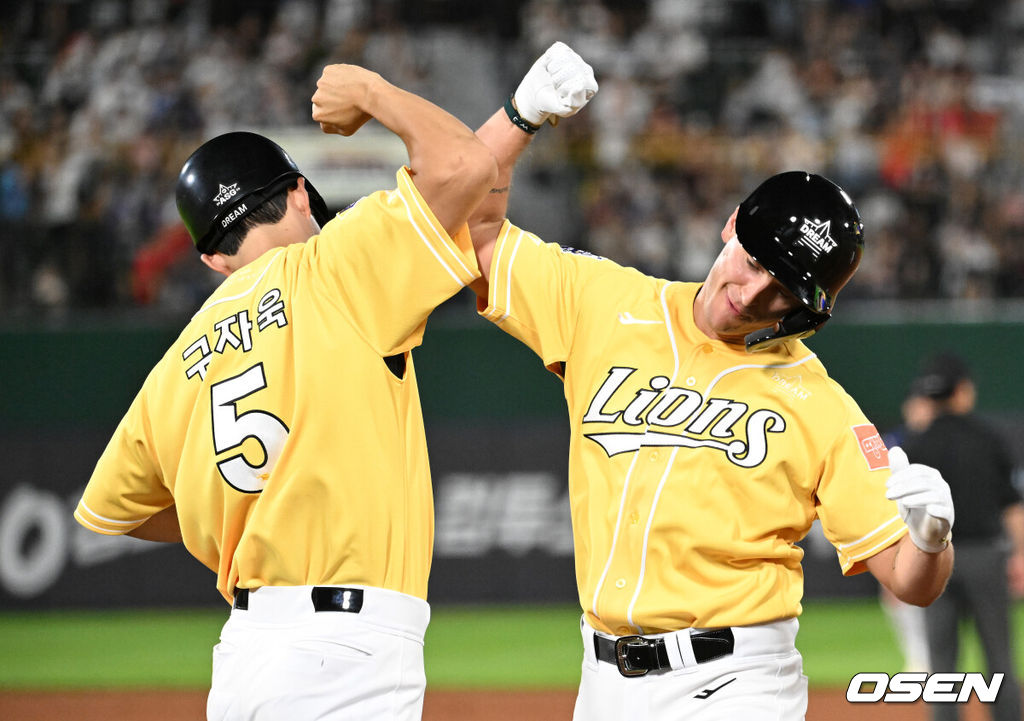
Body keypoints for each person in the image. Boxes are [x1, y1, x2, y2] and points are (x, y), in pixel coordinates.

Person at [467, 64, 957, 717]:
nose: (749, 292)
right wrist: (518, 118)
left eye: (780, 289)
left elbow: (908, 580)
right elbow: (469, 234)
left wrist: (931, 540)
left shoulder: (819, 403)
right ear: (730, 225)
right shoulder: (602, 303)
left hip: (738, 680)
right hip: (603, 680)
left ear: (804, 309)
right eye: (753, 261)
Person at [72, 62, 500, 720]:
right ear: (301, 195)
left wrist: (241, 512)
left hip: (243, 655)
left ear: (211, 257)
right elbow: (466, 164)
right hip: (344, 648)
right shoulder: (335, 268)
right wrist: (370, 93)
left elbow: (113, 512)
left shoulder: (175, 362)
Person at [901, 351, 1024, 721]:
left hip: (934, 561)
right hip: (986, 558)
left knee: (941, 663)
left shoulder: (916, 445)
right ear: (962, 391)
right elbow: (1012, 507)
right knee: (999, 658)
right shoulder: (989, 437)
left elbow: (902, 518)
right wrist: (1019, 554)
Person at [879, 385, 940, 673]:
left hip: (943, 528)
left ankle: (933, 658)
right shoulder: (895, 442)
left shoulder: (945, 440)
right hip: (903, 526)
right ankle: (918, 658)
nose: (920, 411)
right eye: (917, 405)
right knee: (895, 589)